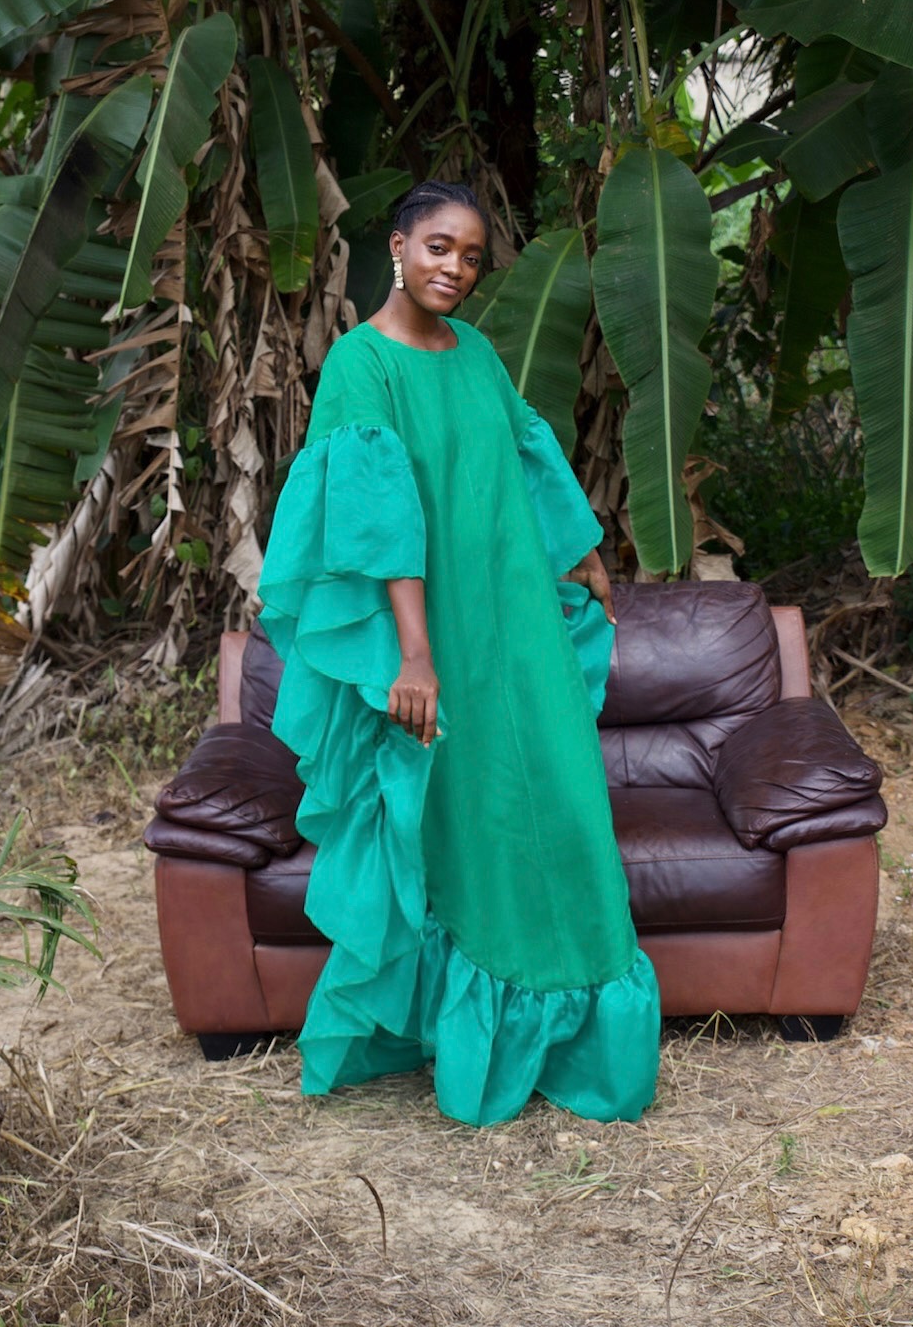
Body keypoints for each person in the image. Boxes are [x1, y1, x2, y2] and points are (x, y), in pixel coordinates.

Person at [257, 180, 661, 1127]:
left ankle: (579, 1041)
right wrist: (414, 656)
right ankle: (473, 1041)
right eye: (439, 247)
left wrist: (583, 552)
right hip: (440, 640)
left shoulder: (476, 352)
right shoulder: (361, 364)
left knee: (566, 806)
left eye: (472, 257)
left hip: (519, 624)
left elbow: (525, 454)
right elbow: (378, 519)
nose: (456, 269)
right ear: (398, 247)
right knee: (466, 821)